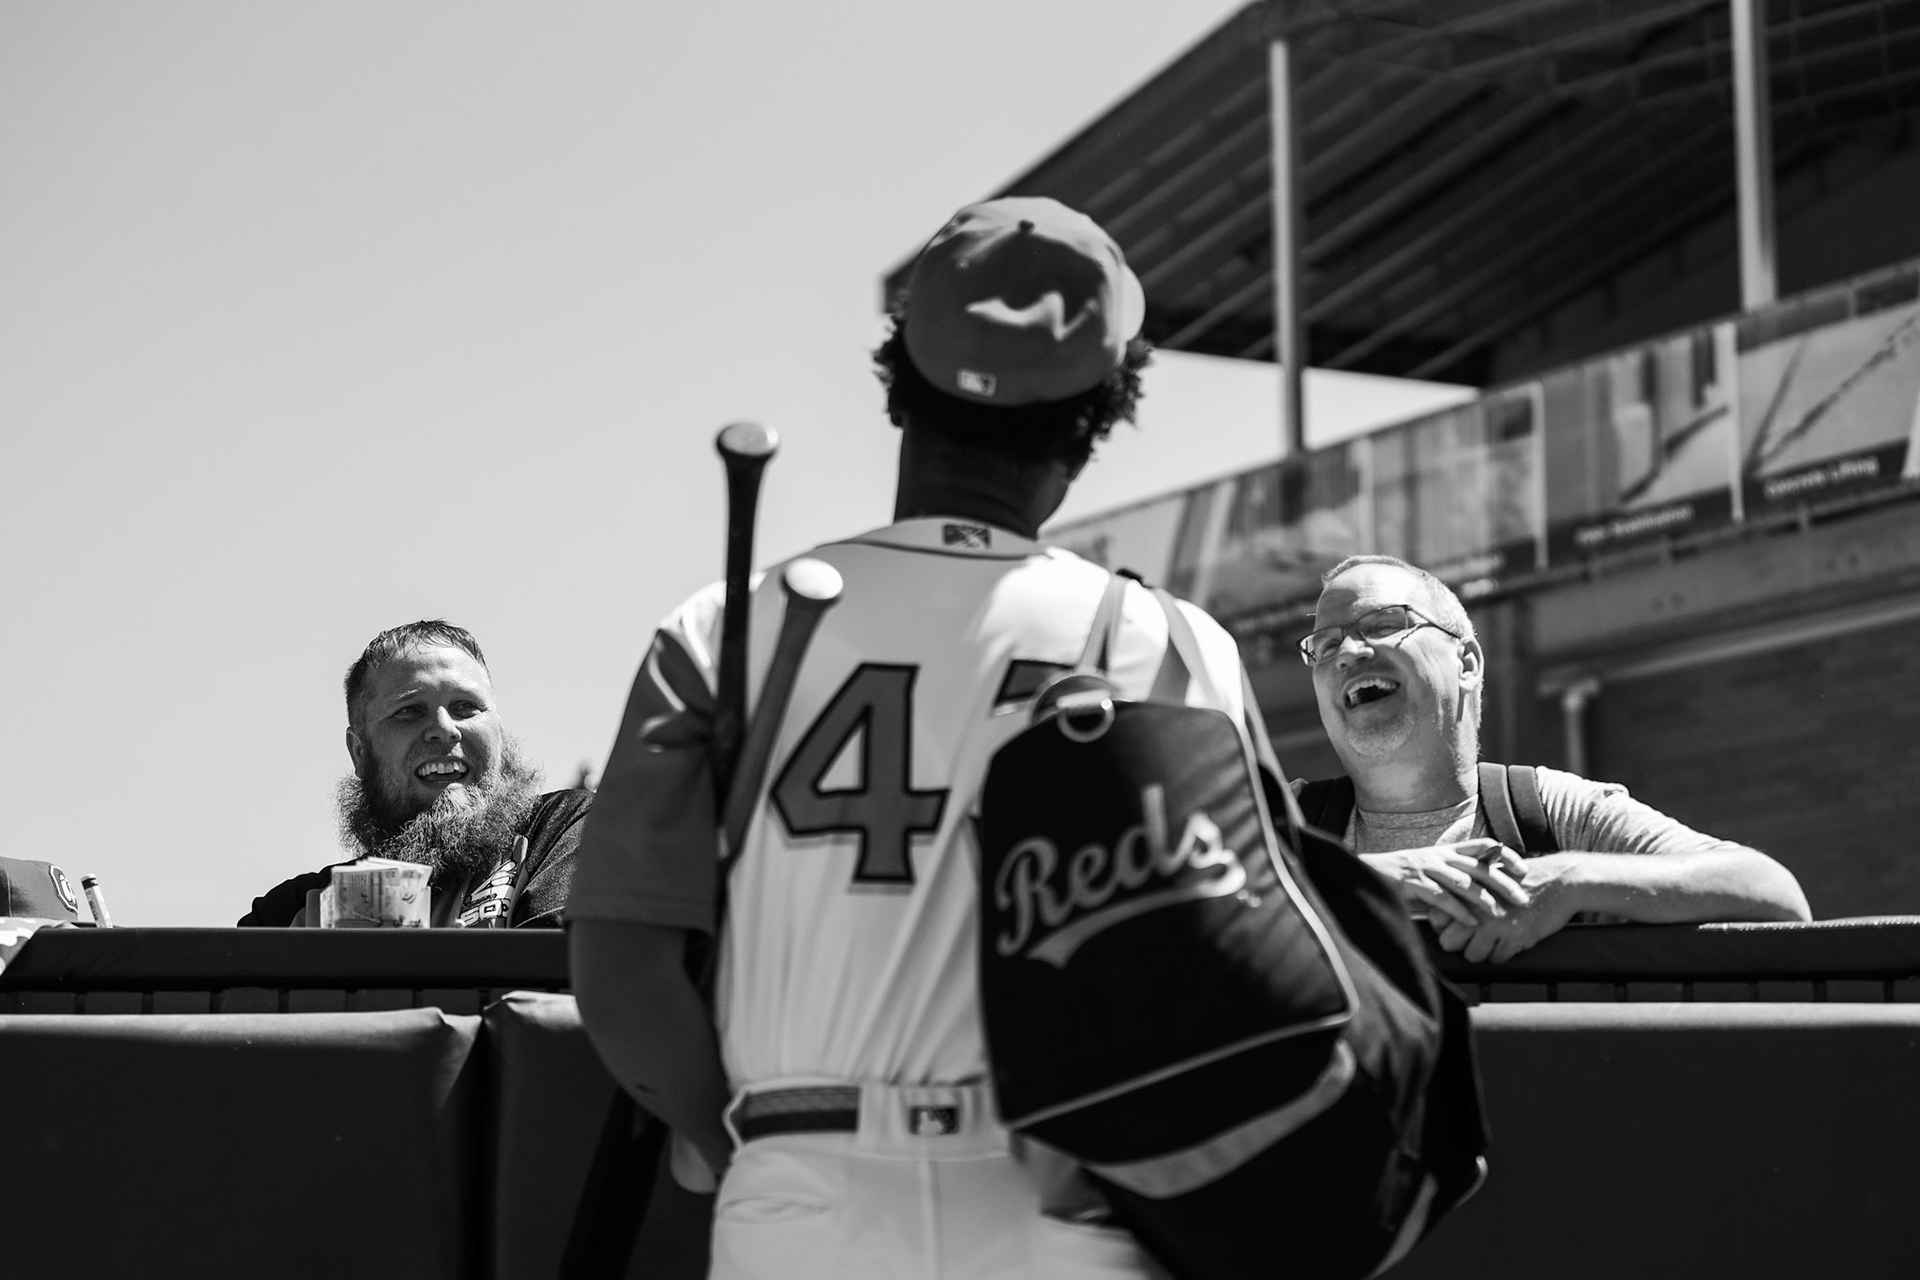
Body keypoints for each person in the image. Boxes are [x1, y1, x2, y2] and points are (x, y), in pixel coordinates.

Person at [567, 197, 1258, 1279]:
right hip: (1074, 1200)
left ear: (899, 371)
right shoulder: (1171, 643)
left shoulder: (724, 627)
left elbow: (618, 971)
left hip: (807, 1189)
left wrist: (729, 1137)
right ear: (1103, 408)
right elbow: (1237, 972)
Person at [1298, 554, 1810, 963]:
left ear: (1468, 662)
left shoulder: (1551, 812)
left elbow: (1774, 894)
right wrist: (1389, 877)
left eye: (1384, 622)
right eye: (1324, 644)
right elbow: (1218, 915)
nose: (1348, 652)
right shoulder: (1280, 817)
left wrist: (1566, 883)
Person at [238, 620, 590, 928]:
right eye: (410, 711)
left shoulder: (560, 829)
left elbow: (553, 981)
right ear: (360, 752)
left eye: (466, 707)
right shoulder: (288, 913)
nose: (444, 729)